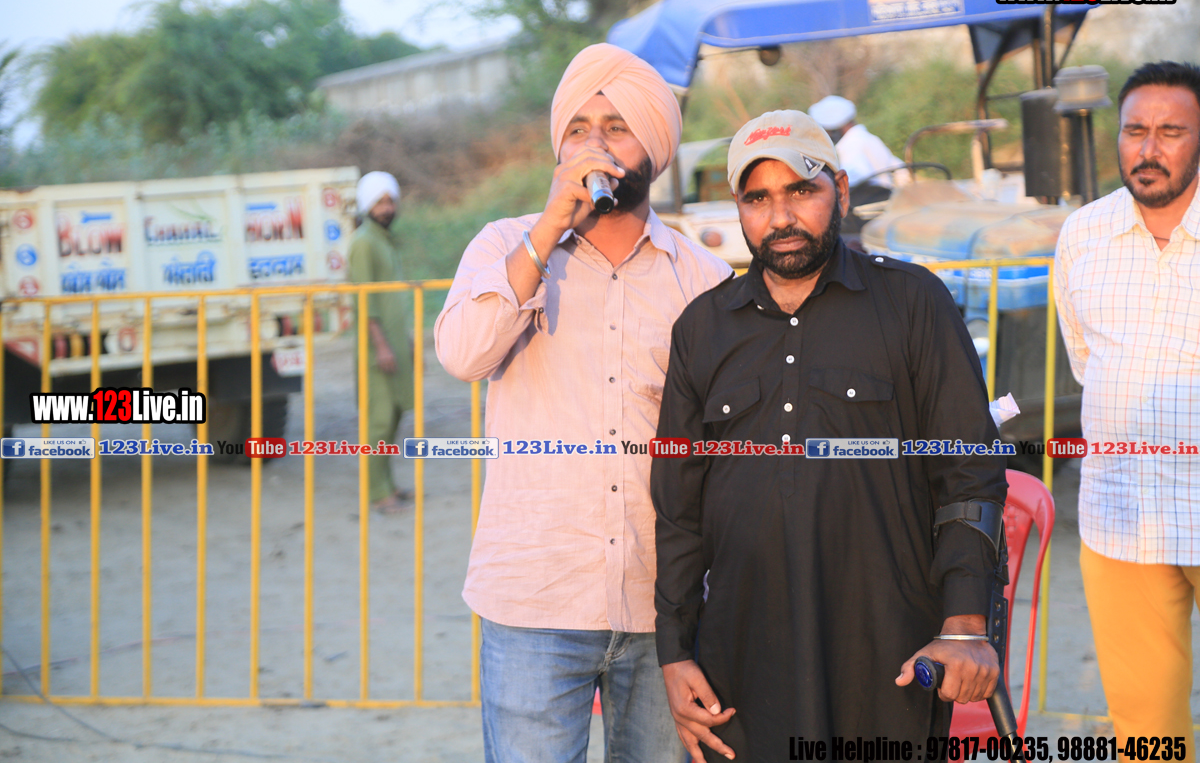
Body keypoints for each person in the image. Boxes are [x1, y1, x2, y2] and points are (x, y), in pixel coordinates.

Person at [652, 109, 1006, 761]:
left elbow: (969, 473)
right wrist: (674, 652)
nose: (780, 217)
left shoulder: (912, 303)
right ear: (738, 208)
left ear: (839, 190)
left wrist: (963, 624)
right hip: (739, 659)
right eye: (757, 198)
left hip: (888, 650)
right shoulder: (702, 329)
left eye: (800, 191)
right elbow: (678, 509)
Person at [435, 43, 732, 763]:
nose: (594, 144)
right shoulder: (504, 246)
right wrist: (546, 230)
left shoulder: (704, 278)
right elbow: (463, 355)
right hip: (535, 600)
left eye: (617, 127)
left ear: (654, 147)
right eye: (578, 128)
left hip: (664, 613)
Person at [1054, 61, 1200, 763]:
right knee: (1146, 736)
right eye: (1135, 130)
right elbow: (1086, 360)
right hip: (1122, 519)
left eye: (1171, 132)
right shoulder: (1083, 234)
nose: (1148, 148)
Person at [347, 171, 414, 513]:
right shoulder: (363, 243)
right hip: (377, 348)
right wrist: (383, 345)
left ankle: (388, 484)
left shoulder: (385, 240)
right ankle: (377, 493)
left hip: (395, 343)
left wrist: (407, 341)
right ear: (366, 206)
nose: (387, 209)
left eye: (390, 201)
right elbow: (366, 301)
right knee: (379, 419)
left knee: (395, 415)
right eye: (380, 203)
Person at [808, 94, 911, 191]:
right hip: (886, 199)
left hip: (874, 202)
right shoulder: (869, 138)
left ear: (835, 128)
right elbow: (902, 171)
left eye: (826, 130)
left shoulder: (851, 145)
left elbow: (857, 180)